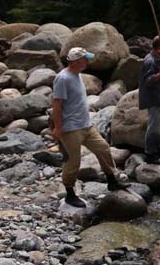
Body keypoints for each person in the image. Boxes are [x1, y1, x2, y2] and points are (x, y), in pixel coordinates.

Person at [51, 47, 130, 208]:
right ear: (77, 61)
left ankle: (111, 180)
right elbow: (57, 104)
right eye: (85, 59)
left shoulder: (77, 75)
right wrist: (58, 128)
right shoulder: (63, 78)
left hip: (86, 125)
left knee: (103, 149)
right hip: (71, 127)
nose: (88, 61)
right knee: (73, 161)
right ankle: (70, 194)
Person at [139, 36, 160, 165]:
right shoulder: (150, 60)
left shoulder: (158, 58)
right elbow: (147, 81)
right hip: (154, 99)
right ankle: (150, 154)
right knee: (154, 128)